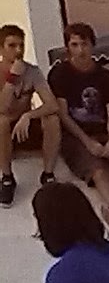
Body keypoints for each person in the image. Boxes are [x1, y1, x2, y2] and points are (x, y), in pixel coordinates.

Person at [46, 24, 109, 229]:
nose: (80, 50)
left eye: (84, 44)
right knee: (98, 170)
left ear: (92, 45)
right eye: (74, 45)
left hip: (104, 132)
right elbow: (63, 114)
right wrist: (87, 142)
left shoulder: (105, 76)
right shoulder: (60, 73)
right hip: (76, 136)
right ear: (68, 48)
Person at [2, 21, 61, 207]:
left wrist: (28, 115)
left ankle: (48, 174)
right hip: (5, 130)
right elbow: (2, 108)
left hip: (25, 126)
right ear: (1, 49)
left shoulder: (32, 71)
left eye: (21, 45)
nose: (18, 50)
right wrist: (12, 78)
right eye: (12, 46)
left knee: (52, 119)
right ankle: (7, 178)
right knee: (1, 121)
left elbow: (52, 104)